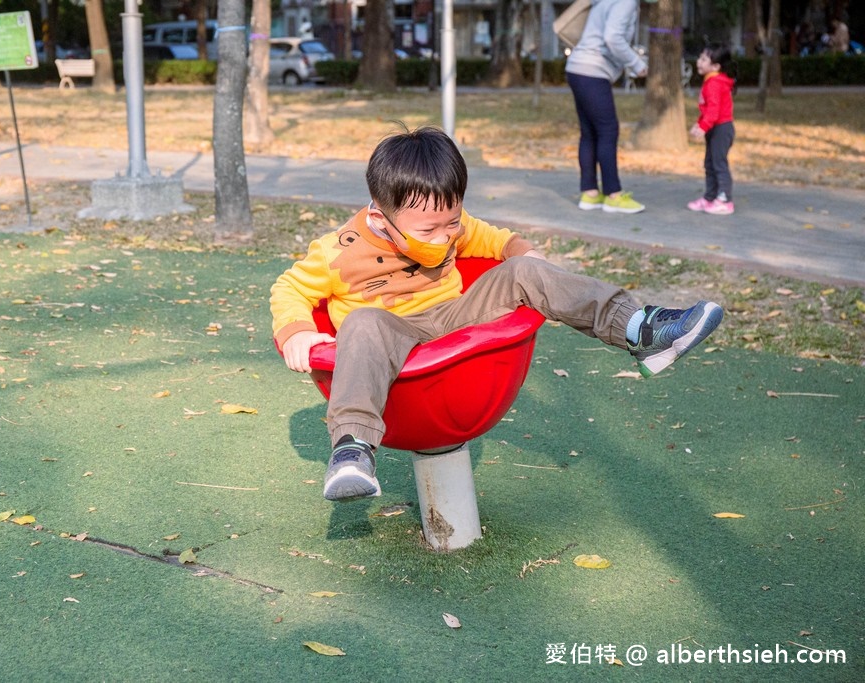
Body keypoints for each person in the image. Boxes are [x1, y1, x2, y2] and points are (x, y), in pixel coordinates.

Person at [270, 125, 724, 502]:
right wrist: (296, 332)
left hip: (453, 315)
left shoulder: (452, 227)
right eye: (429, 229)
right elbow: (289, 287)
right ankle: (352, 450)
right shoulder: (339, 252)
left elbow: (493, 239)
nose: (446, 236)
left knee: (525, 270)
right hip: (389, 334)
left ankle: (640, 329)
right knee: (362, 322)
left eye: (453, 222)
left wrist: (524, 253)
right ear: (380, 218)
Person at [565, 0, 655, 214]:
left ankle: (590, 193)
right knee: (608, 131)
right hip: (593, 70)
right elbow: (613, 37)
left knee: (589, 133)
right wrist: (637, 63)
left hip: (578, 68)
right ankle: (613, 195)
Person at [688, 44, 736, 216]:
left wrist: (704, 126)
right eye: (699, 58)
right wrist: (699, 123)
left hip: (721, 129)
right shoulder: (711, 81)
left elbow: (714, 111)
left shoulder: (714, 83)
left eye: (703, 59)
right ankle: (710, 197)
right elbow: (707, 110)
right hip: (714, 129)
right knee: (710, 164)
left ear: (716, 66)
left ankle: (725, 200)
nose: (698, 62)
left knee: (718, 164)